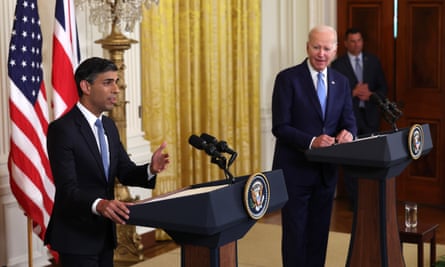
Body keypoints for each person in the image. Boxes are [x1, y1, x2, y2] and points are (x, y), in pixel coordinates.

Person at [44, 57, 170, 267]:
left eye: (117, 81)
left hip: (105, 234)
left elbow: (125, 171)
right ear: (86, 86)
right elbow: (67, 188)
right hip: (77, 237)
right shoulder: (63, 130)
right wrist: (99, 204)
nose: (116, 89)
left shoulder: (109, 127)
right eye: (107, 82)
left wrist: (150, 168)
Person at [271, 25, 357, 267]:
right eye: (316, 47)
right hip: (294, 171)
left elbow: (349, 120)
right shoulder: (287, 79)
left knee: (319, 235)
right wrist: (311, 142)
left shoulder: (341, 81)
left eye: (327, 48)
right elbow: (280, 126)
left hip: (325, 173)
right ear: (307, 47)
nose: (321, 53)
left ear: (335, 50)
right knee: (295, 236)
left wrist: (348, 133)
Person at [331, 28, 388, 207]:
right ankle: (355, 202)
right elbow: (333, 94)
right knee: (352, 161)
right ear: (346, 43)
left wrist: (370, 94)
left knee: (371, 160)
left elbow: (383, 88)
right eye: (352, 41)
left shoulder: (373, 61)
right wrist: (352, 92)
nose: (356, 44)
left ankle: (370, 200)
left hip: (370, 118)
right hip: (350, 121)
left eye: (359, 40)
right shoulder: (337, 65)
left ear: (363, 42)